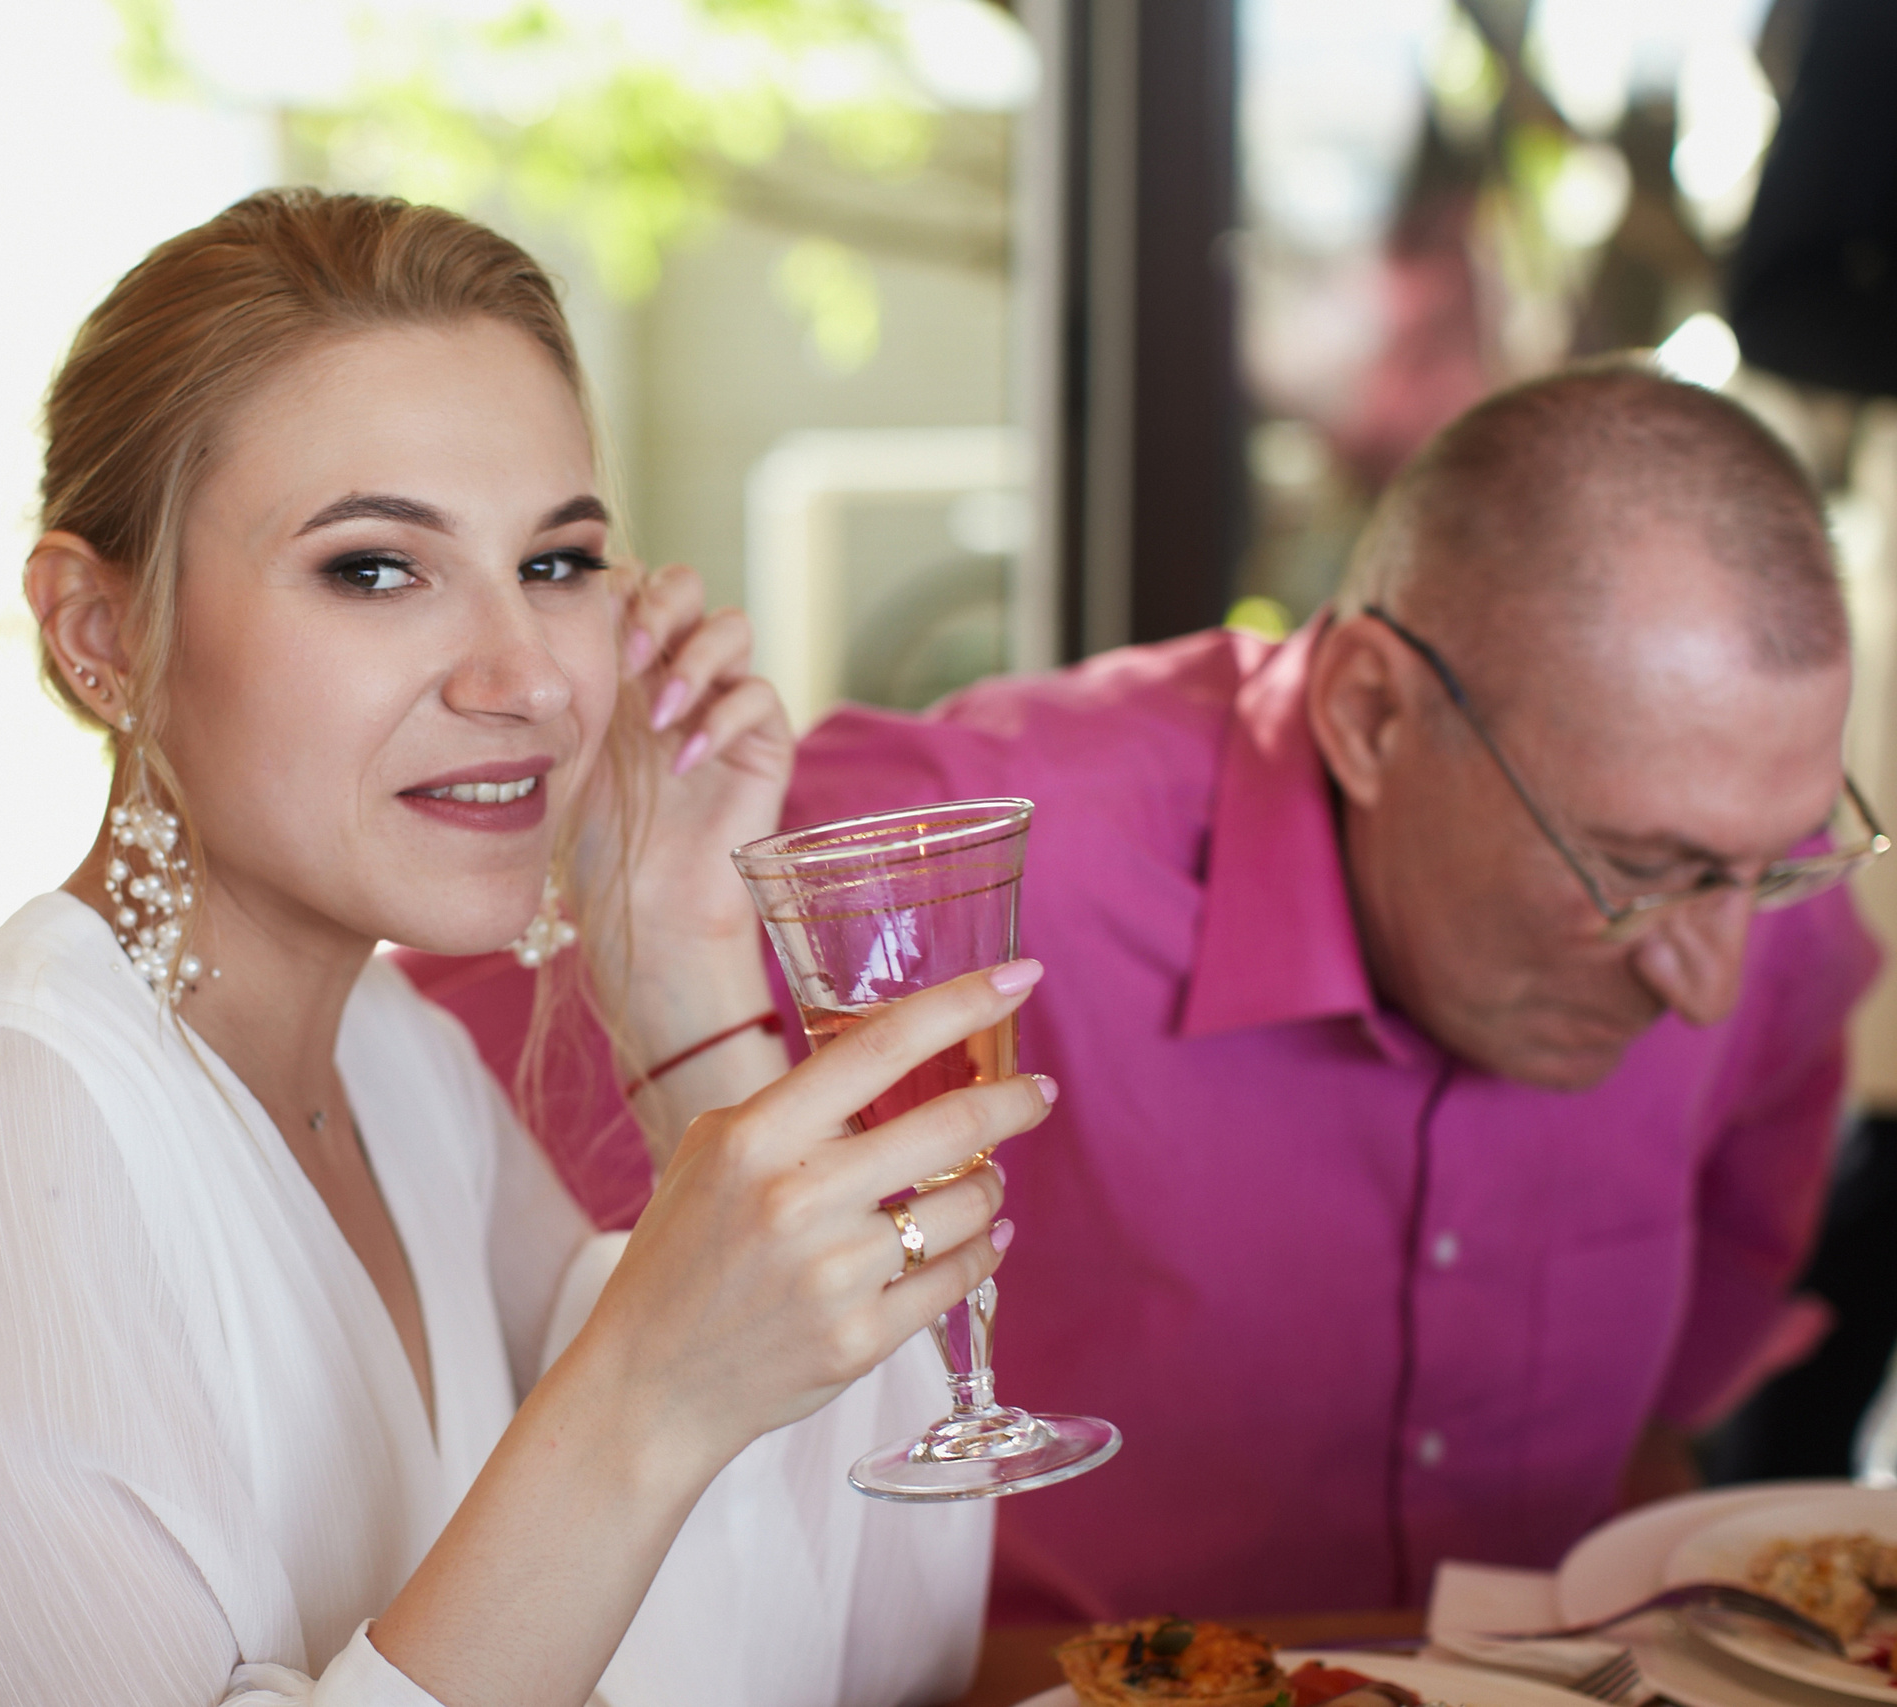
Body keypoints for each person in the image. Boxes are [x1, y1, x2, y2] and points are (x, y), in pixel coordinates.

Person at [0, 189, 1050, 1706]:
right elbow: (657, 1457)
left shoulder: (403, 1071)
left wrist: (681, 963)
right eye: (377, 569)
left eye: (557, 564)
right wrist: (642, 1402)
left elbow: (876, 1648)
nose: (526, 678)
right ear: (97, 630)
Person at [405, 365, 1885, 1620]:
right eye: (1636, 870)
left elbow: (1689, 1382)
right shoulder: (945, 850)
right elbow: (402, 1115)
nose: (1712, 981)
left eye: (1780, 866)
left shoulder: (1758, 901)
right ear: (1370, 714)